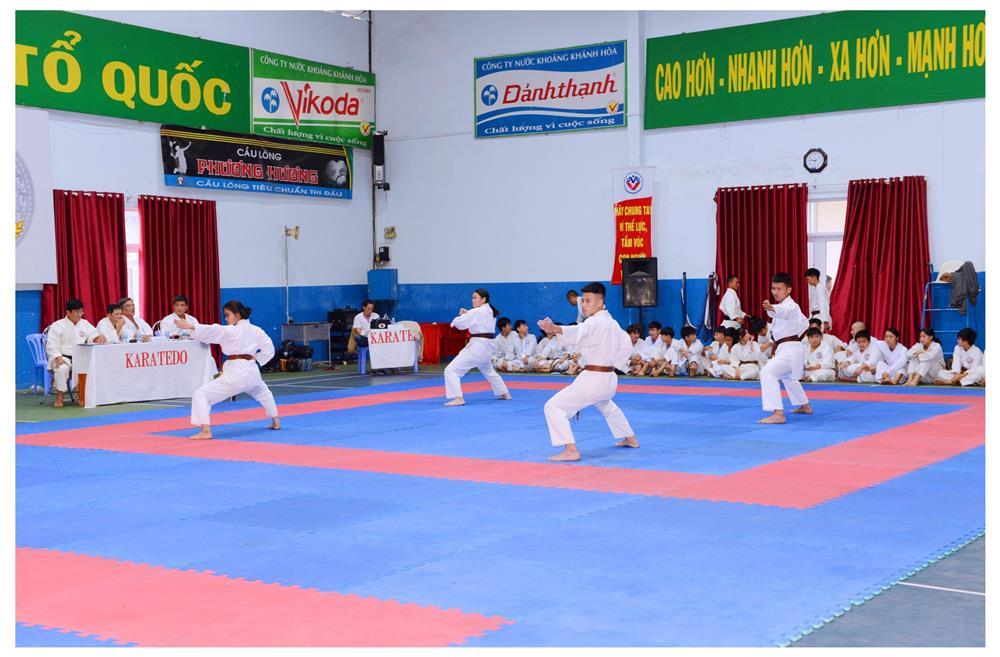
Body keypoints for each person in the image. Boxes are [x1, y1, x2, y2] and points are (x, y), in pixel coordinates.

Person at [538, 282, 637, 461]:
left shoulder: (593, 321)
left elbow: (579, 330)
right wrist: (614, 364)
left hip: (594, 379)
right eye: (583, 301)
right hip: (609, 379)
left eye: (588, 301)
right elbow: (626, 345)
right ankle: (630, 438)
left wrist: (554, 329)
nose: (583, 305)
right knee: (605, 404)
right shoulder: (613, 323)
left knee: (553, 407)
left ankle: (571, 450)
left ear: (600, 303)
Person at [174, 301, 279, 439]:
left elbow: (214, 330)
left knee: (201, 395)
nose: (226, 318)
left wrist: (191, 326)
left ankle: (206, 431)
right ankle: (276, 421)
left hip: (236, 374)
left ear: (237, 314)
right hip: (252, 371)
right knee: (264, 392)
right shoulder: (257, 330)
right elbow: (269, 349)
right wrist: (257, 357)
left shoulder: (232, 330)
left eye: (227, 315)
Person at [758, 272, 812, 424]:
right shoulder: (788, 307)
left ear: (788, 290)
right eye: (773, 288)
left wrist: (772, 307)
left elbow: (785, 311)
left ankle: (778, 414)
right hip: (789, 347)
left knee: (767, 372)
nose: (775, 292)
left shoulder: (791, 306)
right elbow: (805, 323)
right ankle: (805, 406)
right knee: (788, 377)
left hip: (790, 348)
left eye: (779, 289)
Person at [443, 288, 512, 406]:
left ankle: (458, 398)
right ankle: (504, 393)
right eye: (472, 298)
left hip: (478, 346)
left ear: (483, 299)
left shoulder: (477, 312)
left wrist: (460, 317)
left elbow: (459, 324)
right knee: (488, 370)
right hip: (488, 347)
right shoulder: (490, 311)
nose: (472, 300)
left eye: (475, 298)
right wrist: (468, 313)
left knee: (451, 370)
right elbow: (476, 319)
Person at [44, 299, 107, 407]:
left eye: (81, 312)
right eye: (77, 312)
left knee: (94, 366)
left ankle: (83, 396)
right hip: (63, 358)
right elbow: (52, 345)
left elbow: (93, 335)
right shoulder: (57, 325)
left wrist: (98, 338)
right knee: (61, 369)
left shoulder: (84, 323)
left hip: (81, 357)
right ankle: (60, 395)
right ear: (68, 312)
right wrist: (57, 357)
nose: (79, 314)